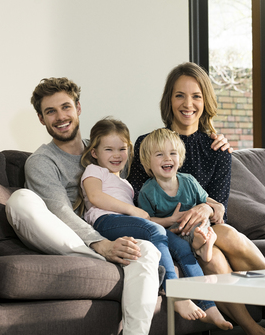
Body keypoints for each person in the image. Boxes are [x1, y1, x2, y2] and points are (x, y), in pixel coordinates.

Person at [5, 77, 161, 335]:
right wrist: (101, 244)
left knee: (145, 250)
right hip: (60, 235)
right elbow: (60, 211)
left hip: (105, 232)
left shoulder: (105, 151)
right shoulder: (42, 161)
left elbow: (153, 177)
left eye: (66, 107)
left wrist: (205, 202)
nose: (60, 116)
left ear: (78, 108)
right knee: (20, 200)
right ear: (41, 119)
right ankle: (102, 255)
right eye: (50, 111)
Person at [129, 62, 265, 335]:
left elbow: (219, 210)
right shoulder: (148, 143)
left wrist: (205, 207)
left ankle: (252, 328)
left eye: (196, 96)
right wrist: (174, 220)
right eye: (180, 95)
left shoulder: (217, 148)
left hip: (208, 231)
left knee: (221, 239)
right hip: (169, 230)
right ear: (169, 99)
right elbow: (137, 202)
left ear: (205, 101)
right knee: (217, 245)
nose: (187, 103)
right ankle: (252, 327)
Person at [79, 117, 232, 329]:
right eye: (108, 150)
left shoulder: (124, 182)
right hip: (106, 222)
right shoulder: (94, 171)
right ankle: (175, 294)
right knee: (154, 229)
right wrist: (133, 210)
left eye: (122, 149)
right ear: (94, 153)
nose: (116, 155)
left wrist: (170, 219)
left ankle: (210, 306)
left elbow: (148, 219)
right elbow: (95, 197)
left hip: (129, 223)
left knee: (181, 247)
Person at [138, 128, 221, 263]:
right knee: (168, 235)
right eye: (159, 154)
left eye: (173, 153)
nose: (167, 158)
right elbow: (146, 222)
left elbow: (206, 202)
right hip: (172, 233)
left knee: (200, 223)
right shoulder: (147, 191)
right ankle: (199, 246)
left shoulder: (189, 181)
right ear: (147, 162)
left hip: (195, 225)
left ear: (180, 158)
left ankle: (201, 245)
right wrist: (170, 220)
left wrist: (215, 208)